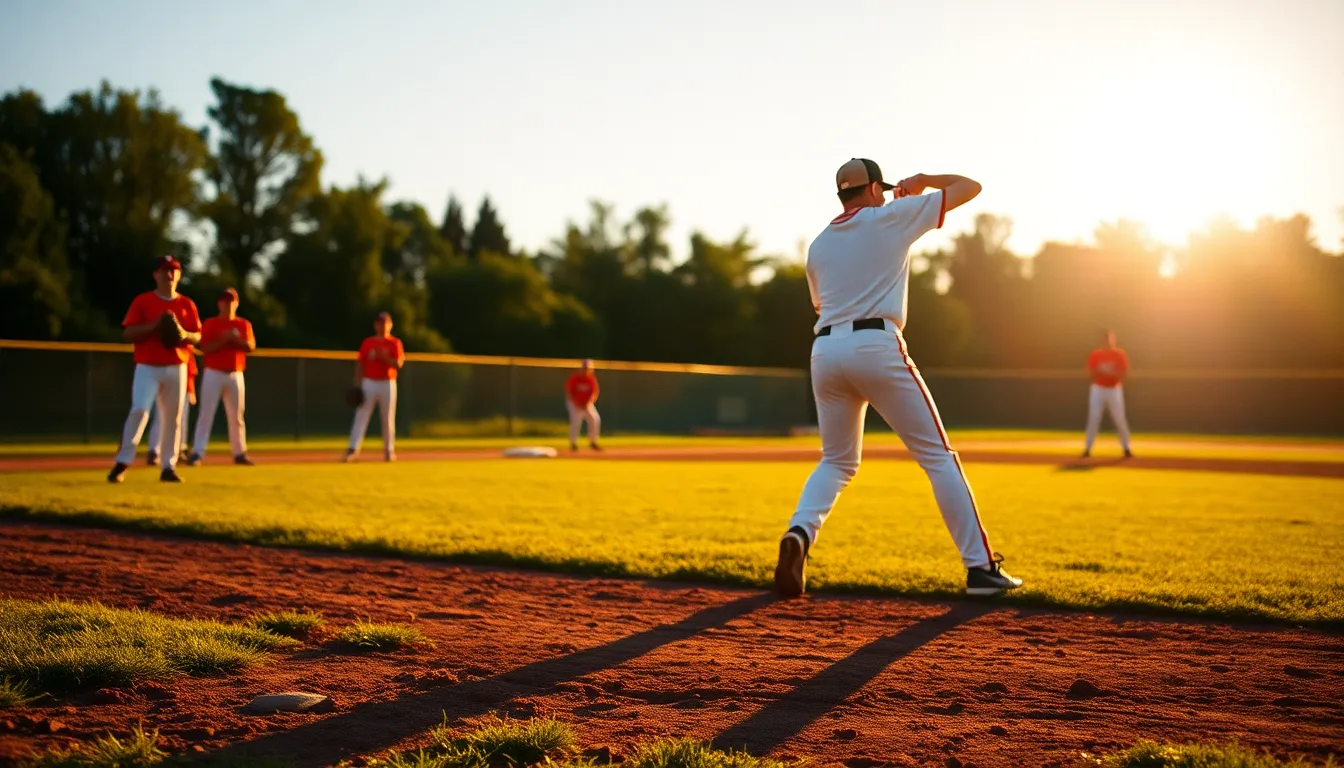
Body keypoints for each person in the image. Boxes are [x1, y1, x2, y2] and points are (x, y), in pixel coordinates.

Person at [775, 158, 1022, 599]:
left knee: (837, 461)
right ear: (872, 189)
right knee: (938, 456)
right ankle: (981, 570)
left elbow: (821, 305)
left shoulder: (818, 244)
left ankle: (799, 533)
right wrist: (923, 182)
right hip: (876, 344)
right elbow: (971, 186)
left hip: (826, 351)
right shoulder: (892, 215)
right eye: (882, 188)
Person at [108, 255, 202, 484]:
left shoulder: (186, 304)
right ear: (155, 275)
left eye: (173, 271)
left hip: (177, 366)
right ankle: (123, 461)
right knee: (139, 410)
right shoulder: (143, 301)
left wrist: (183, 334)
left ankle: (168, 466)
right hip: (147, 366)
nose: (169, 275)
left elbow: (197, 336)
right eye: (164, 270)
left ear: (178, 275)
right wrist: (155, 325)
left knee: (174, 418)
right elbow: (128, 333)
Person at [187, 287, 255, 466]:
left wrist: (235, 340)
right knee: (206, 415)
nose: (229, 304)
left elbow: (250, 346)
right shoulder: (210, 324)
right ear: (219, 303)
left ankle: (240, 453)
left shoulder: (243, 324)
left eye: (232, 300)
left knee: (237, 417)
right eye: (225, 300)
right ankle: (198, 453)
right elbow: (206, 348)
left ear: (237, 303)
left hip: (235, 374)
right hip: (214, 373)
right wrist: (225, 339)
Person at [344, 311, 405, 462]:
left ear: (390, 325)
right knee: (361, 416)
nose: (383, 326)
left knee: (388, 419)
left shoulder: (394, 343)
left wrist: (383, 356)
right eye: (380, 323)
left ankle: (389, 451)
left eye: (385, 323)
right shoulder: (368, 342)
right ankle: (353, 449)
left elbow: (398, 364)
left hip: (388, 383)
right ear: (375, 325)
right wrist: (357, 383)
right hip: (369, 382)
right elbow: (360, 364)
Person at [1082, 330, 1133, 459]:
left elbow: (1124, 373)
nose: (1108, 341)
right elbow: (1088, 372)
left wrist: (1106, 373)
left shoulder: (1119, 354)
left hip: (1114, 389)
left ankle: (1126, 448)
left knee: (1120, 419)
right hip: (1098, 389)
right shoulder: (1095, 354)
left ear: (1113, 340)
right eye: (1105, 339)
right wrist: (1104, 373)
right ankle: (1087, 448)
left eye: (1110, 339)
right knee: (1094, 418)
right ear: (1102, 341)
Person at [147, 347, 197, 465]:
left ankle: (179, 449)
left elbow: (191, 372)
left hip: (182, 388)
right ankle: (154, 451)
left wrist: (191, 390)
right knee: (160, 419)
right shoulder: (164, 348)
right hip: (165, 384)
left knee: (180, 421)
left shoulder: (186, 349)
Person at [565, 359, 603, 451]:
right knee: (576, 421)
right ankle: (573, 443)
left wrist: (588, 403)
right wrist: (577, 404)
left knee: (595, 419)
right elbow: (569, 393)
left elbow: (594, 393)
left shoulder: (591, 379)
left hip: (586, 404)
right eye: (584, 368)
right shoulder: (574, 378)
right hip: (574, 403)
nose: (586, 370)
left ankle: (593, 442)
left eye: (588, 368)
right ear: (581, 368)